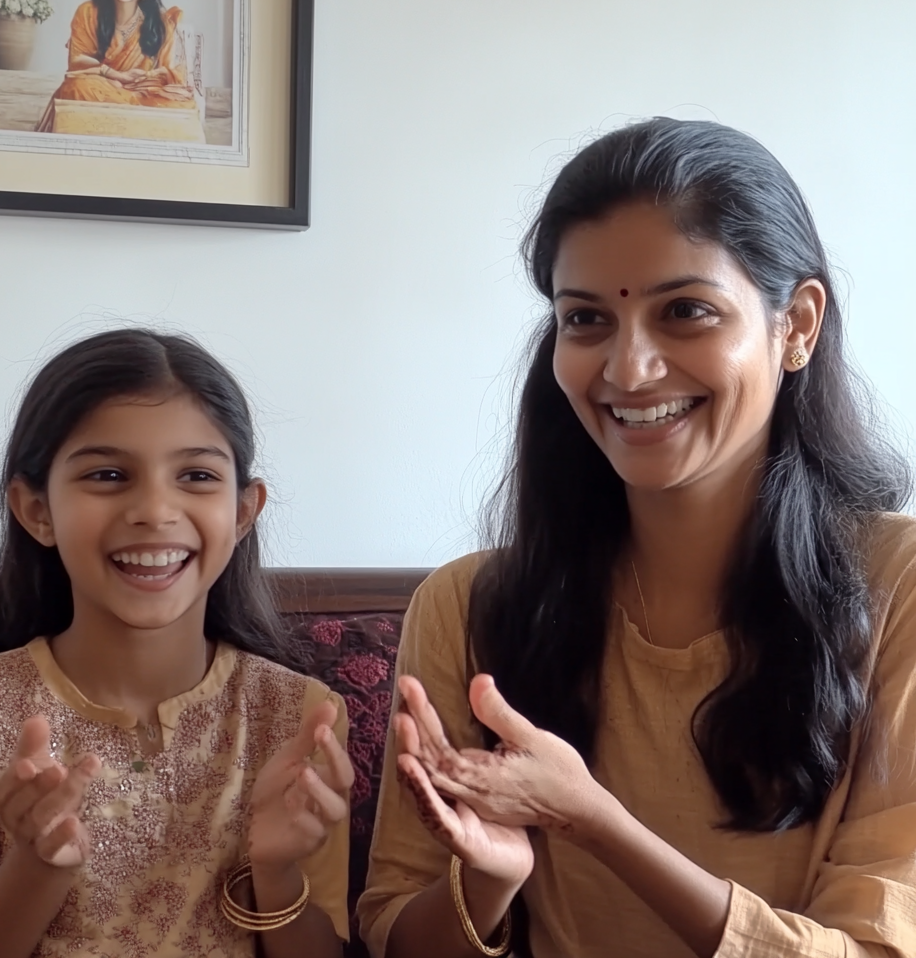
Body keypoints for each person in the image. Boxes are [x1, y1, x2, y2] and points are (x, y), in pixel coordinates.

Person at [359, 118, 916, 958]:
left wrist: (595, 825)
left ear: (796, 325)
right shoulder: (470, 606)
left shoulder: (898, 583)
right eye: (586, 321)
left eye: (685, 311)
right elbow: (395, 933)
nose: (627, 369)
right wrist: (489, 879)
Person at [0, 329, 353, 958]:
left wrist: (276, 873)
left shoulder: (302, 718)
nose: (155, 510)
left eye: (195, 475)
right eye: (108, 475)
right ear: (36, 511)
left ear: (244, 512)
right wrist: (37, 865)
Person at [36, 0, 198, 134]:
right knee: (76, 88)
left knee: (182, 104)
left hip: (141, 95)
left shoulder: (161, 23)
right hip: (99, 90)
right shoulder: (88, 13)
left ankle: (125, 123)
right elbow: (76, 62)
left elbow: (170, 75)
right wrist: (114, 76)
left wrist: (148, 78)